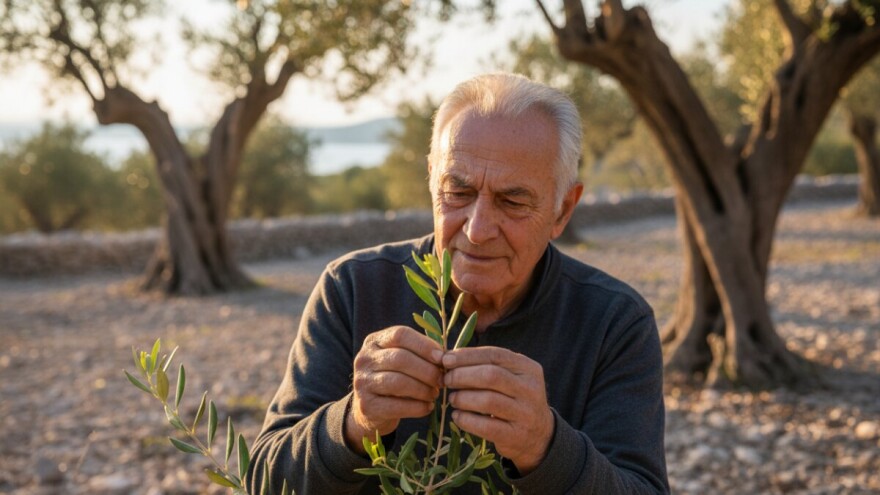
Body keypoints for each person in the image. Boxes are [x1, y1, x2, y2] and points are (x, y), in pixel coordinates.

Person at [247, 73, 669, 494]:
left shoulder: (616, 322)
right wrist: (354, 424)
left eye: (513, 201)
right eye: (458, 191)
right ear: (432, 181)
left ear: (562, 211)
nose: (478, 228)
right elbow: (263, 480)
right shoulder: (353, 288)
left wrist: (545, 446)